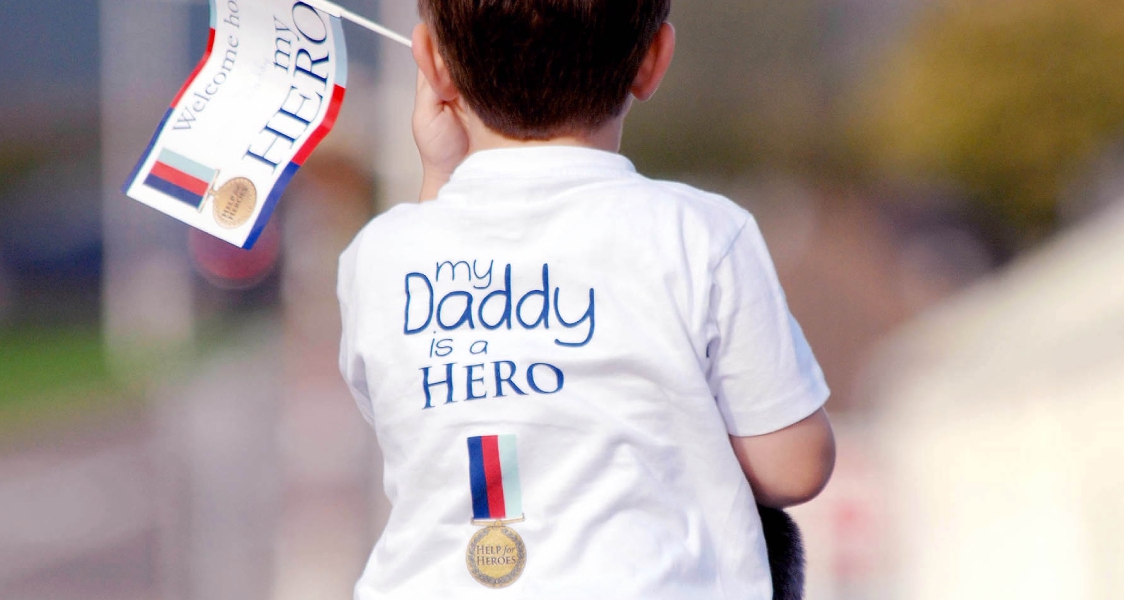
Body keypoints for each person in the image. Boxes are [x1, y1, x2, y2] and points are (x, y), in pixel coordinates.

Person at [336, 1, 835, 598]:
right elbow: (795, 466)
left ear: (432, 66)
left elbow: (424, 425)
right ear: (653, 60)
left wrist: (441, 178)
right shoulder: (701, 234)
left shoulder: (379, 255)